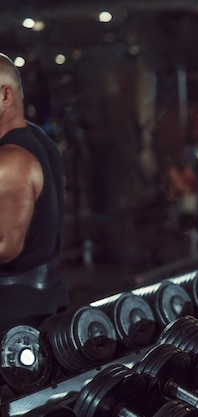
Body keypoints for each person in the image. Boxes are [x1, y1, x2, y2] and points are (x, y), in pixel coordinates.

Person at [0, 53, 67, 331]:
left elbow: (6, 246)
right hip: (43, 300)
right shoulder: (40, 139)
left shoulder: (10, 159)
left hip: (13, 315)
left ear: (5, 95)